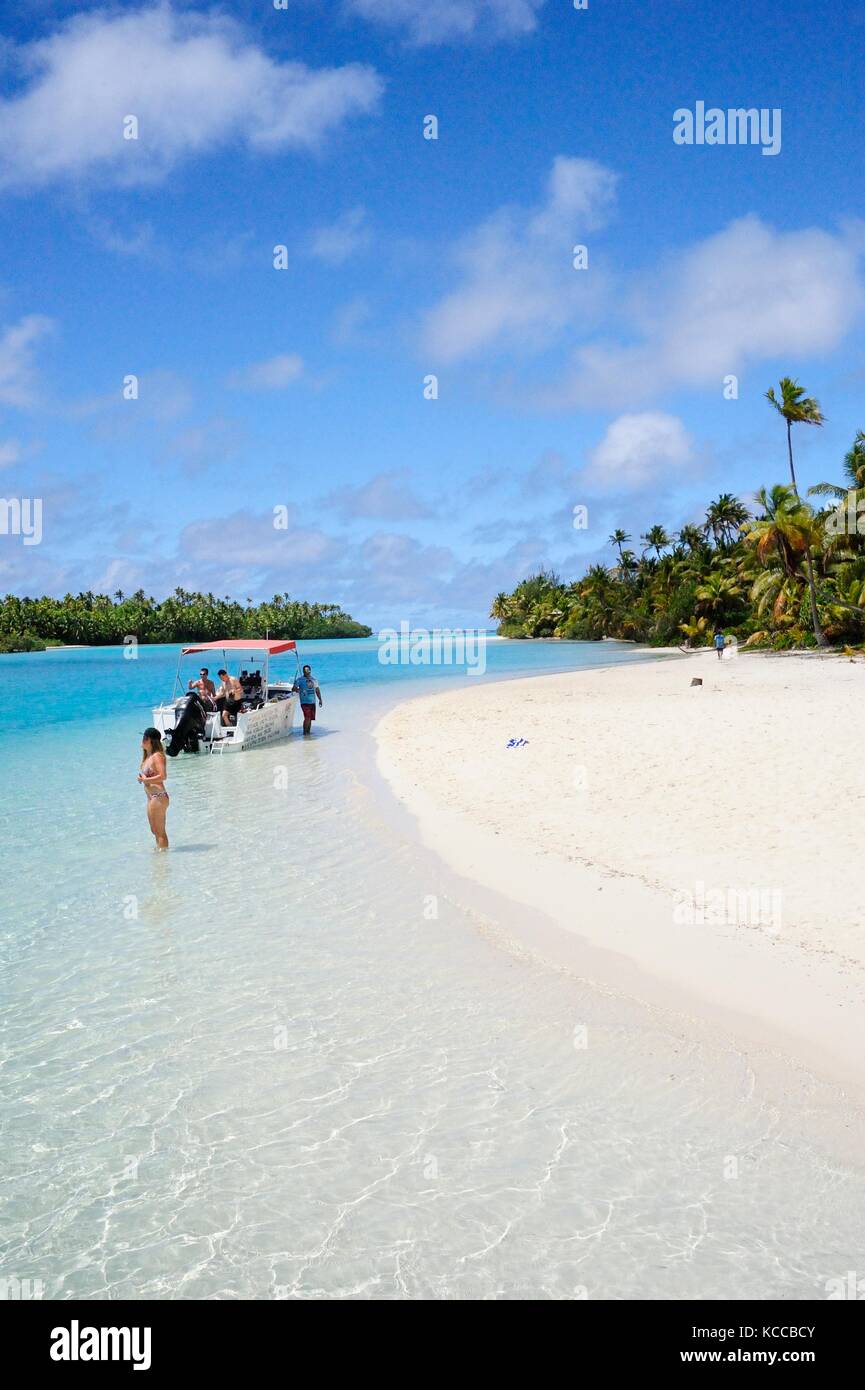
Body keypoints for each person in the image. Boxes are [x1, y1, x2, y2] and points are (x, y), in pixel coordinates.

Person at [139, 727, 169, 849]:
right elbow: (152, 775)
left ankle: (163, 860)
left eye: (144, 738)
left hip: (159, 796)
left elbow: (163, 776)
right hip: (151, 797)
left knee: (159, 831)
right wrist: (143, 778)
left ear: (149, 740)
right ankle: (161, 855)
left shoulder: (157, 756)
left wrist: (146, 780)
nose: (141, 740)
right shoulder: (148, 757)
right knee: (154, 830)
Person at [292, 664, 322, 735]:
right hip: (304, 702)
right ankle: (304, 733)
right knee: (307, 717)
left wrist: (320, 699)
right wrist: (298, 689)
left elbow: (317, 690)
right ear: (303, 671)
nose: (306, 672)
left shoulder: (314, 680)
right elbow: (293, 689)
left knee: (310, 718)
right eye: (305, 670)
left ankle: (308, 733)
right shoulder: (299, 680)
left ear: (310, 671)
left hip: (312, 702)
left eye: (307, 670)